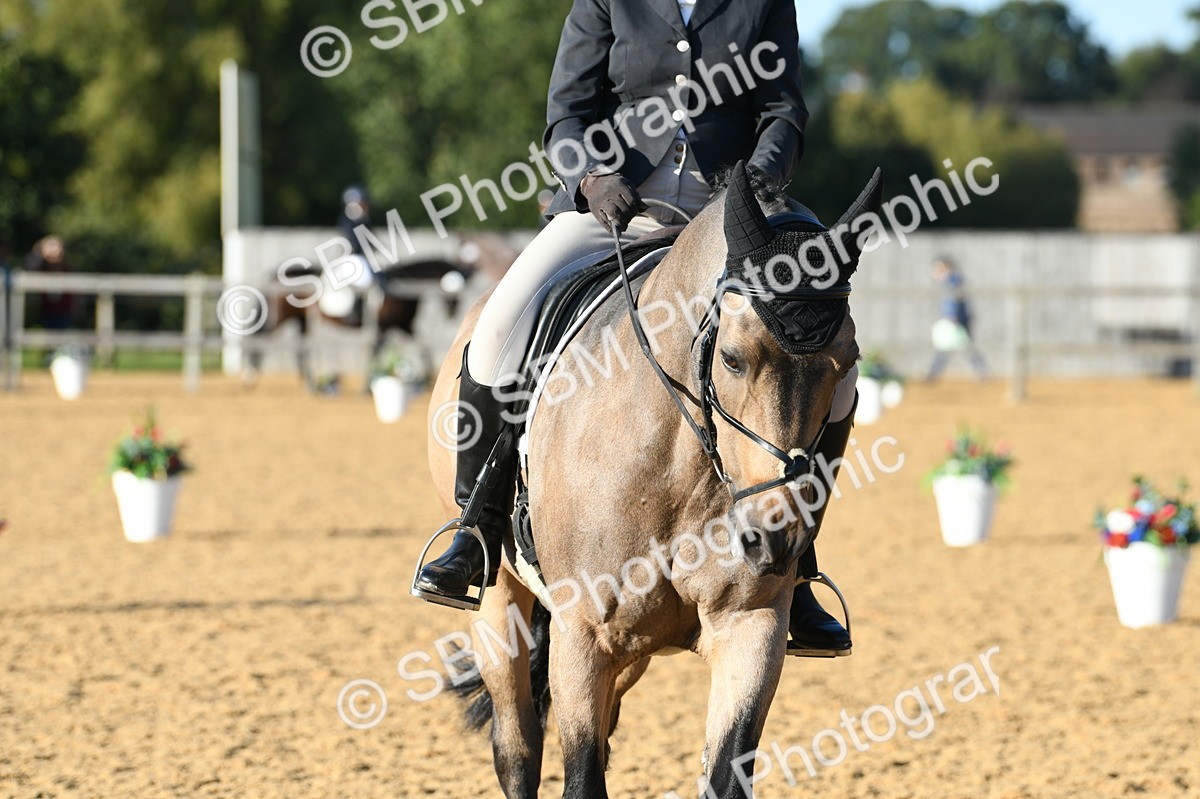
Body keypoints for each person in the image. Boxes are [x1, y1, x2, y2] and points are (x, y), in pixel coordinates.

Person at [414, 0, 856, 656]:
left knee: (830, 346)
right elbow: (567, 110)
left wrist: (757, 182)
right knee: (501, 326)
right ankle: (475, 531)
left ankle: (799, 562)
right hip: (612, 210)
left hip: (730, 218)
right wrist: (591, 178)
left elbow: (784, 109)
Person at [926, 257, 988, 381]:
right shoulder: (950, 281)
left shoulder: (952, 281)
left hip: (956, 320)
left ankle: (982, 372)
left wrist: (951, 315)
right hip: (955, 319)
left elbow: (953, 300)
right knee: (949, 347)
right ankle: (933, 373)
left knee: (962, 346)